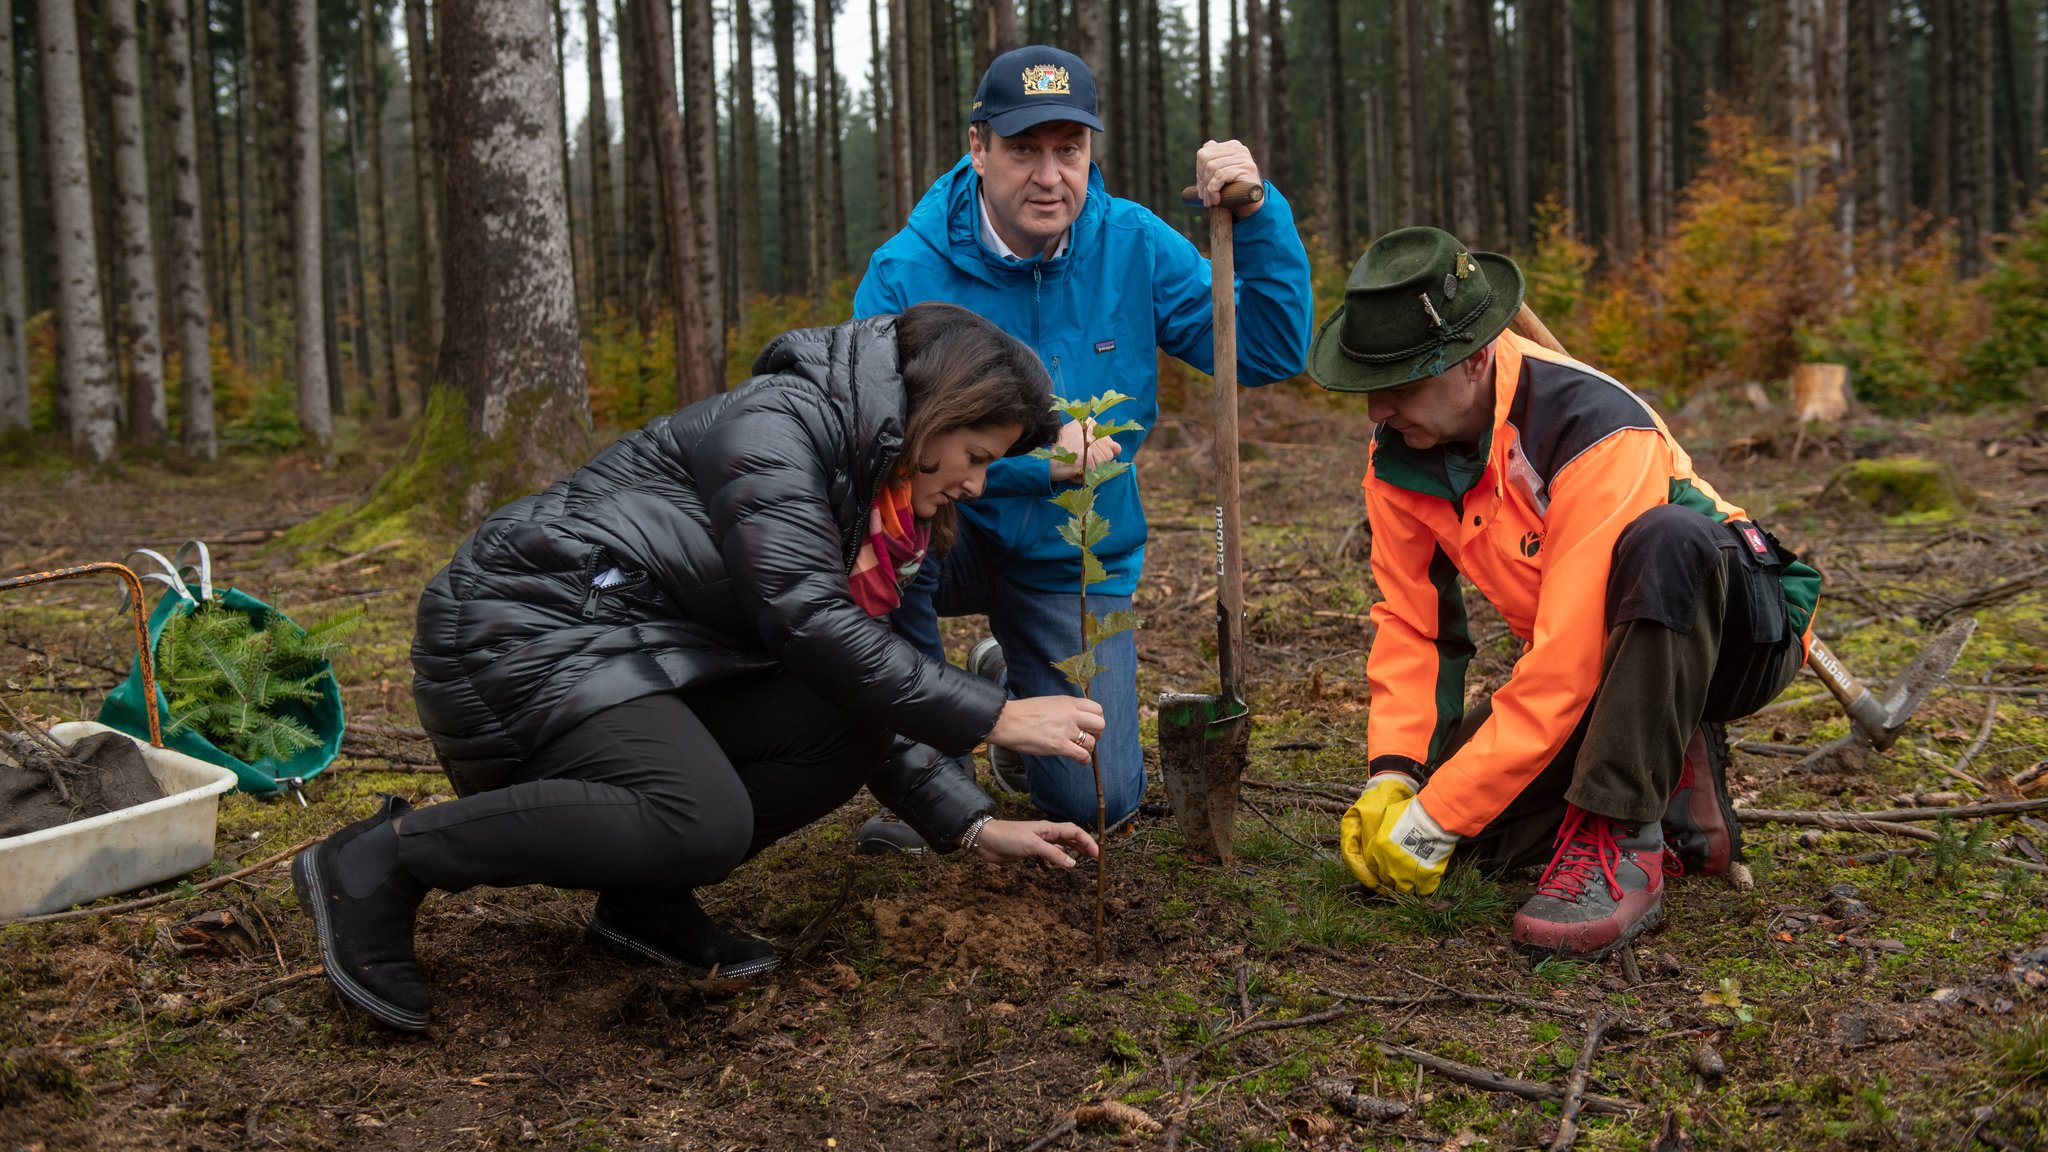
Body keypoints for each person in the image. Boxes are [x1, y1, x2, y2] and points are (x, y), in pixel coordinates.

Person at [292, 305, 1108, 1033]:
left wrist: (968, 824)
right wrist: (994, 714)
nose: (975, 484)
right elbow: (805, 616)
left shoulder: (881, 503)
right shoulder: (781, 425)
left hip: (639, 653)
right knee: (699, 820)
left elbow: (856, 671)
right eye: (972, 454)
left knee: (846, 726)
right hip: (523, 635)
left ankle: (644, 904)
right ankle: (382, 860)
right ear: (936, 411)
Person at [1308, 227, 1822, 958]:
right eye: (1368, 389)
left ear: (1475, 359)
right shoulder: (1399, 455)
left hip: (1734, 630)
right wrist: (1399, 776)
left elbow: (1567, 666)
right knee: (1474, 839)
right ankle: (1678, 780)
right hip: (1608, 655)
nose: (1376, 412)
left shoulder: (1597, 429)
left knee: (1666, 540)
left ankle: (1624, 842)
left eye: (1398, 387)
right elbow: (1413, 628)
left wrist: (1439, 815)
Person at [851, 45, 1314, 845]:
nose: (1048, 176)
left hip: (1074, 549)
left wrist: (1260, 212)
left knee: (1101, 801)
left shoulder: (1131, 244)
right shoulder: (907, 270)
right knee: (888, 550)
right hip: (947, 531)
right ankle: (936, 785)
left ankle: (1006, 675)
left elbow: (1268, 348)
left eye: (1068, 151)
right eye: (1024, 149)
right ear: (978, 147)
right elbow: (873, 447)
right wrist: (1038, 466)